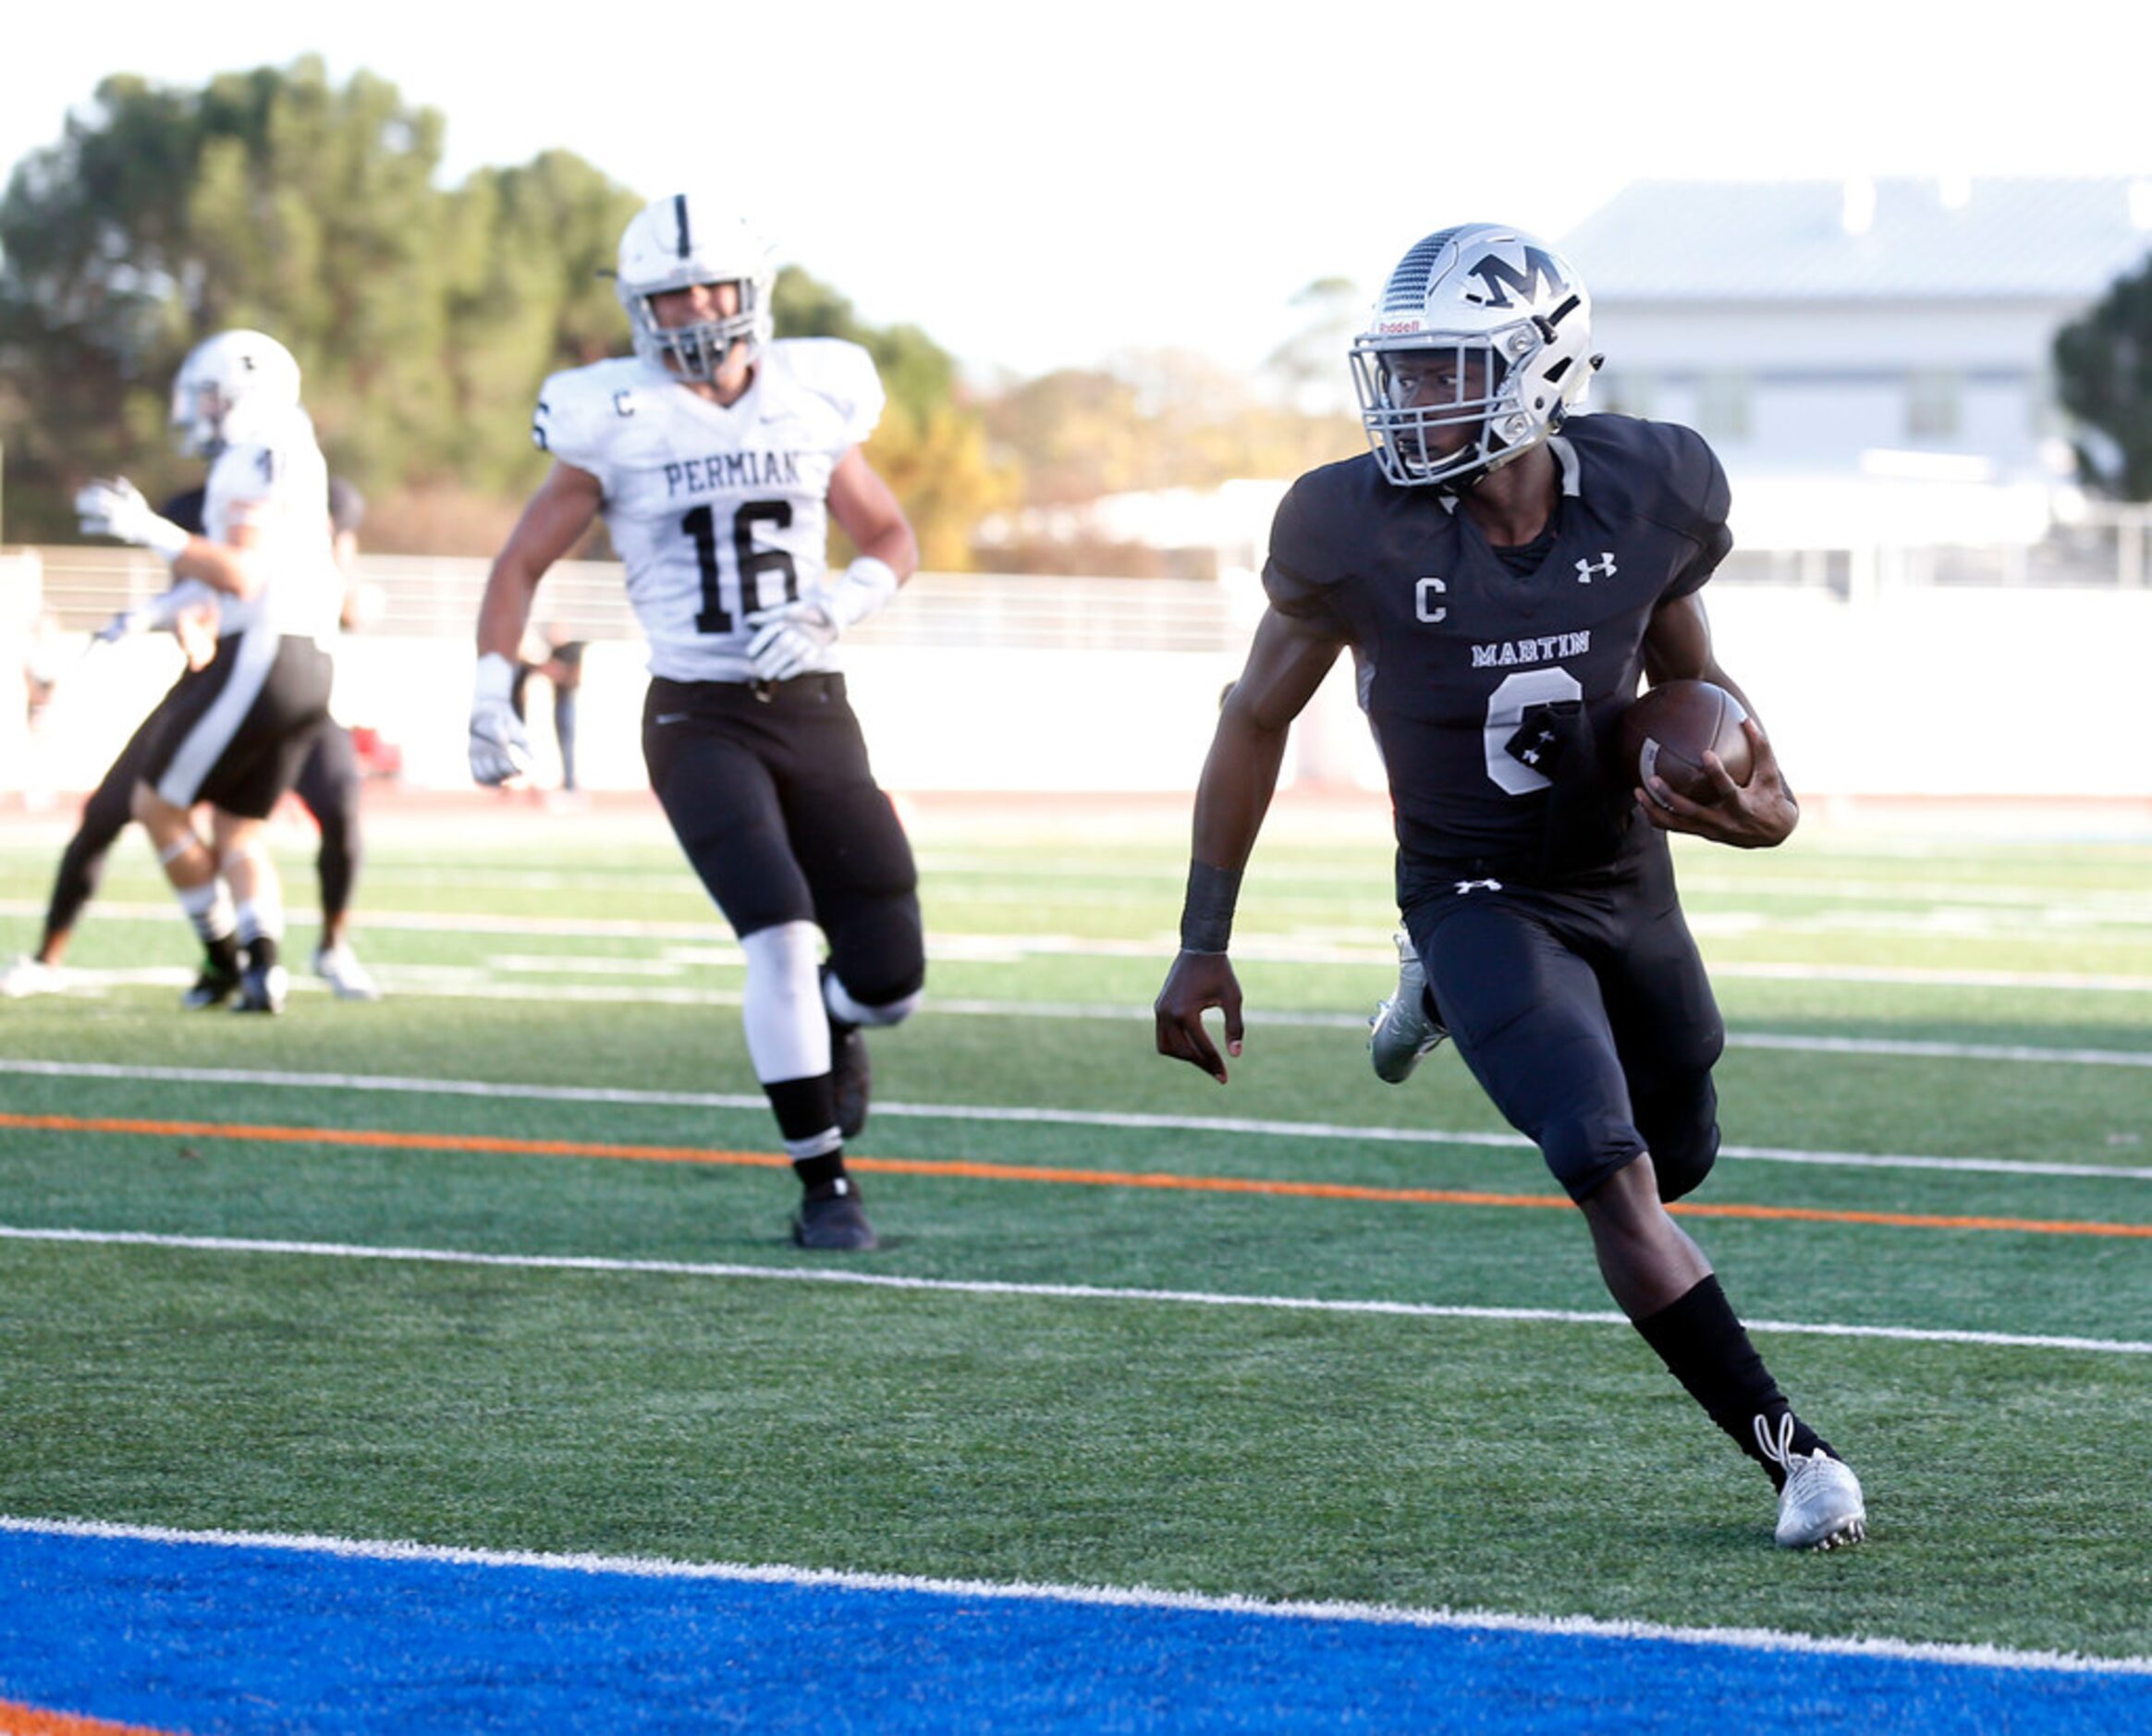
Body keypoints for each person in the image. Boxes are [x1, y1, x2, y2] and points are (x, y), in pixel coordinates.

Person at [1152, 225, 1865, 1551]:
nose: (1414, 403)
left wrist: (1761, 807)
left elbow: (1698, 688)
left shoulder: (1650, 487)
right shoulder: (1345, 523)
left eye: (1448, 372)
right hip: (1473, 887)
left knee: (1682, 1147)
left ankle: (1439, 997)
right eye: (1404, 373)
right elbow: (1252, 716)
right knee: (1607, 1169)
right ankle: (1795, 1456)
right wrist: (1205, 939)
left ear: (1543, 369)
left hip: (1620, 873)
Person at [471, 191, 925, 1253]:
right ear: (637, 307)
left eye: (705, 289)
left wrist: (840, 600)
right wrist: (491, 689)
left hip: (813, 702)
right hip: (696, 712)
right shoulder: (611, 416)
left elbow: (892, 532)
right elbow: (520, 562)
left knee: (892, 983)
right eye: (664, 297)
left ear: (749, 291)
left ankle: (838, 1018)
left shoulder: (814, 392)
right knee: (775, 934)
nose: (687, 313)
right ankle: (826, 1189)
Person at [1, 475, 380, 1003]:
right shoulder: (202, 498)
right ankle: (58, 958)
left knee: (328, 808)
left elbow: (326, 589)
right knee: (114, 813)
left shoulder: (306, 489)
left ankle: (323, 949)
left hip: (286, 684)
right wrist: (166, 617)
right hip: (216, 681)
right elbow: (194, 593)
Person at [69, 328, 341, 1015]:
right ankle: (264, 969)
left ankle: (222, 957)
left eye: (212, 397)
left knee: (155, 806)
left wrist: (148, 529)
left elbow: (241, 575)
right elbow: (239, 580)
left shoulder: (258, 452)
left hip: (265, 656)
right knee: (239, 829)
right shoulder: (290, 448)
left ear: (246, 393)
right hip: (310, 660)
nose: (203, 411)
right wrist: (149, 615)